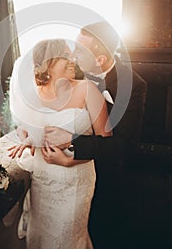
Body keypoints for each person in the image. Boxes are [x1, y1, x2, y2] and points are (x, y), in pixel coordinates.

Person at [42, 22, 147, 249]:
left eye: (79, 51)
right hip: (60, 182)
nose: (72, 55)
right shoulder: (71, 72)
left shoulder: (133, 86)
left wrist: (72, 143)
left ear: (99, 60)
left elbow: (124, 146)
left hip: (106, 184)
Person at [8, 38, 112, 249]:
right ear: (49, 62)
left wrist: (68, 161)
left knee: (66, 240)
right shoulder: (32, 97)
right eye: (66, 55)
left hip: (75, 183)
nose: (73, 59)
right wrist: (27, 138)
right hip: (42, 184)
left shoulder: (88, 90)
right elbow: (30, 131)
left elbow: (107, 143)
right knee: (39, 238)